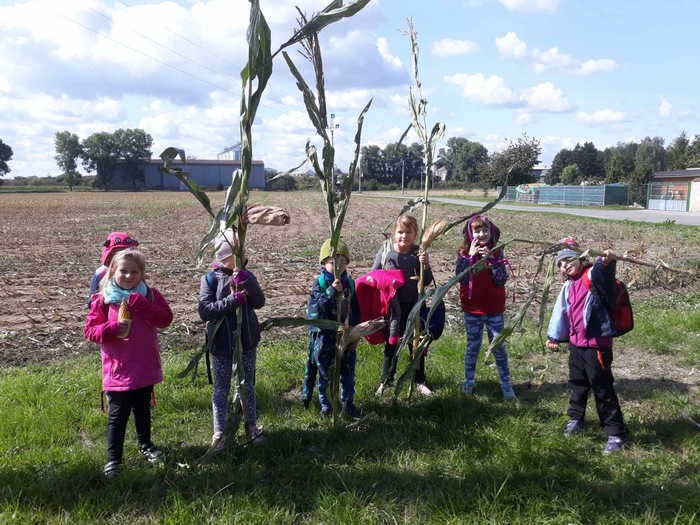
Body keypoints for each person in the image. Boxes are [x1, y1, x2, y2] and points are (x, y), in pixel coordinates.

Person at [84, 248, 173, 478]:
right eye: (123, 271)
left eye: (135, 272)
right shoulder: (102, 300)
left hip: (144, 365)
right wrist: (111, 328)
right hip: (118, 369)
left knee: (143, 408)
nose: (128, 276)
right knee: (118, 414)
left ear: (142, 274)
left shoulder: (150, 295)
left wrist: (141, 304)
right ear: (113, 270)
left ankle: (145, 444)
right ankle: (114, 459)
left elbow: (165, 319)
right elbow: (90, 331)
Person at [546, 238, 629, 454]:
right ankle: (576, 419)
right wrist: (555, 336)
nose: (564, 265)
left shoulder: (592, 276)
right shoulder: (569, 285)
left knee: (602, 387)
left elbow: (604, 273)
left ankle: (615, 432)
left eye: (568, 259)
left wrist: (606, 262)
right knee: (577, 383)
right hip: (576, 345)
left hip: (596, 345)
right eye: (560, 264)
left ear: (581, 258)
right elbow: (562, 312)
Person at [198, 229, 266, 450]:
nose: (242, 257)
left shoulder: (247, 276)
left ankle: (250, 425)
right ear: (223, 257)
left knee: (247, 386)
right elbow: (205, 311)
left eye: (242, 253)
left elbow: (259, 302)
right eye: (236, 254)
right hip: (221, 344)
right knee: (221, 388)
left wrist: (247, 283)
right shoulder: (210, 280)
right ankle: (219, 430)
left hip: (247, 342)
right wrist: (232, 300)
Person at [372, 214, 433, 396]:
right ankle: (386, 380)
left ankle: (419, 380)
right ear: (394, 233)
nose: (404, 236)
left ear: (415, 234)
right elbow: (374, 275)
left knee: (416, 343)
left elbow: (427, 281)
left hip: (414, 305)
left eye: (408, 232)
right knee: (392, 343)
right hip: (393, 308)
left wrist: (426, 265)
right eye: (400, 232)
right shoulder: (386, 251)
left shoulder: (418, 253)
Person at [455, 215, 515, 400]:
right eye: (477, 231)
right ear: (470, 233)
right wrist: (470, 257)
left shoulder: (496, 252)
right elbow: (461, 278)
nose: (481, 234)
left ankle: (505, 382)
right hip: (472, 309)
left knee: (498, 346)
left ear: (491, 231)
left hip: (494, 309)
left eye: (485, 230)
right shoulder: (463, 253)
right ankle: (468, 380)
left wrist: (490, 259)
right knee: (472, 346)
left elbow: (501, 280)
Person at [302, 238, 363, 419]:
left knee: (348, 372)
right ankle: (326, 406)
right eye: (332, 262)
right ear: (323, 262)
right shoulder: (320, 284)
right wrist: (331, 292)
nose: (337, 265)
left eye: (342, 261)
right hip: (324, 337)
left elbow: (356, 310)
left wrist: (355, 334)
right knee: (325, 373)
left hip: (345, 336)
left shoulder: (350, 283)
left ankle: (348, 403)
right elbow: (314, 312)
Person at [87, 232, 139, 308]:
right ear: (109, 256)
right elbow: (91, 302)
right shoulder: (101, 273)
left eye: (126, 255)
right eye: (117, 255)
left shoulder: (135, 272)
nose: (122, 259)